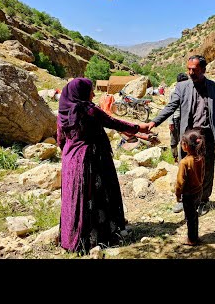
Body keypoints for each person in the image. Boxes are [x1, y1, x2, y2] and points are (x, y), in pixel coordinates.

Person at [57, 77, 151, 254]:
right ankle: (99, 236)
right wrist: (139, 128)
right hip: (90, 157)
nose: (93, 93)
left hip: (70, 159)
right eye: (90, 90)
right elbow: (113, 122)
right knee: (95, 195)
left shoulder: (63, 112)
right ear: (81, 93)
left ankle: (71, 238)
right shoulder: (89, 110)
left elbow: (60, 139)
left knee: (74, 197)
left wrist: (70, 153)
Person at [148, 55, 215, 216]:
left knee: (206, 168)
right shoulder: (182, 87)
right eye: (188, 69)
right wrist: (154, 122)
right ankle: (183, 200)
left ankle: (204, 200)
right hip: (188, 136)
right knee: (185, 168)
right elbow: (171, 107)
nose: (190, 72)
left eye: (194, 69)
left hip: (206, 135)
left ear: (203, 69)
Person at [175, 128, 205, 245]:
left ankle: (191, 239)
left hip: (188, 194)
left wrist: (178, 194)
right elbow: (202, 175)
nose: (181, 145)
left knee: (190, 218)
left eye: (182, 143)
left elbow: (180, 182)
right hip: (198, 191)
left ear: (186, 146)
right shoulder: (200, 158)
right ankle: (195, 237)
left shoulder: (184, 162)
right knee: (194, 215)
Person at [168, 73, 189, 165]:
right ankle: (175, 159)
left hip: (186, 118)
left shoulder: (189, 91)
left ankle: (184, 158)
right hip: (176, 118)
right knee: (174, 139)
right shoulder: (174, 92)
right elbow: (170, 107)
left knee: (185, 139)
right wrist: (170, 121)